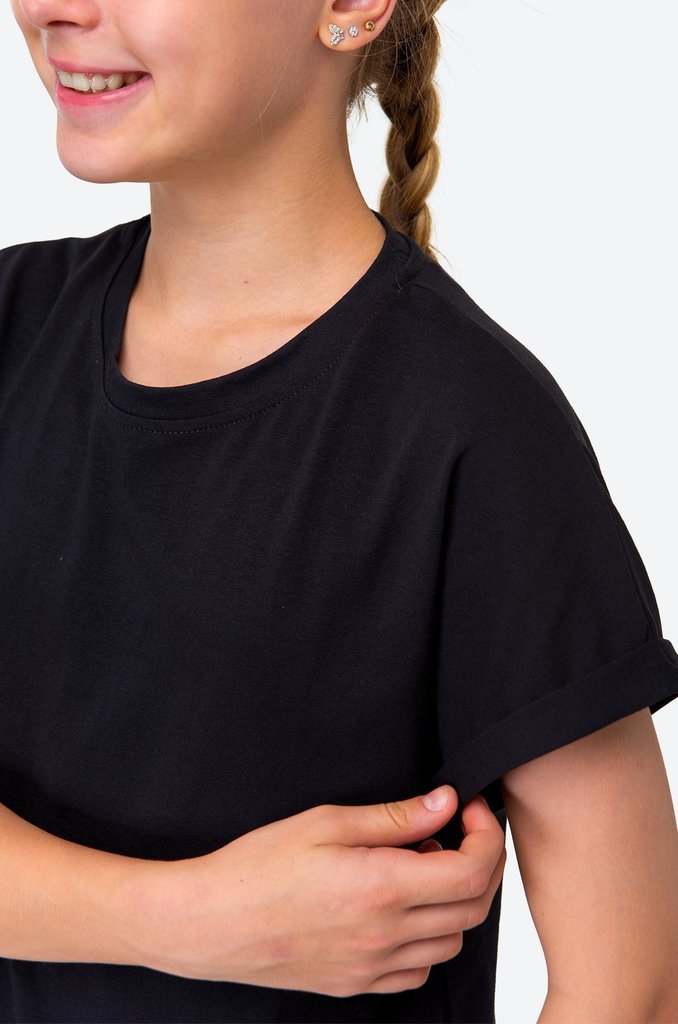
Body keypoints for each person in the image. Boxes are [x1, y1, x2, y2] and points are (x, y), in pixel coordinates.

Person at [1, 0, 677, 1021]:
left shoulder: (474, 430)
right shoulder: (11, 328)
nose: (56, 6)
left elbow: (629, 988)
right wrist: (183, 918)